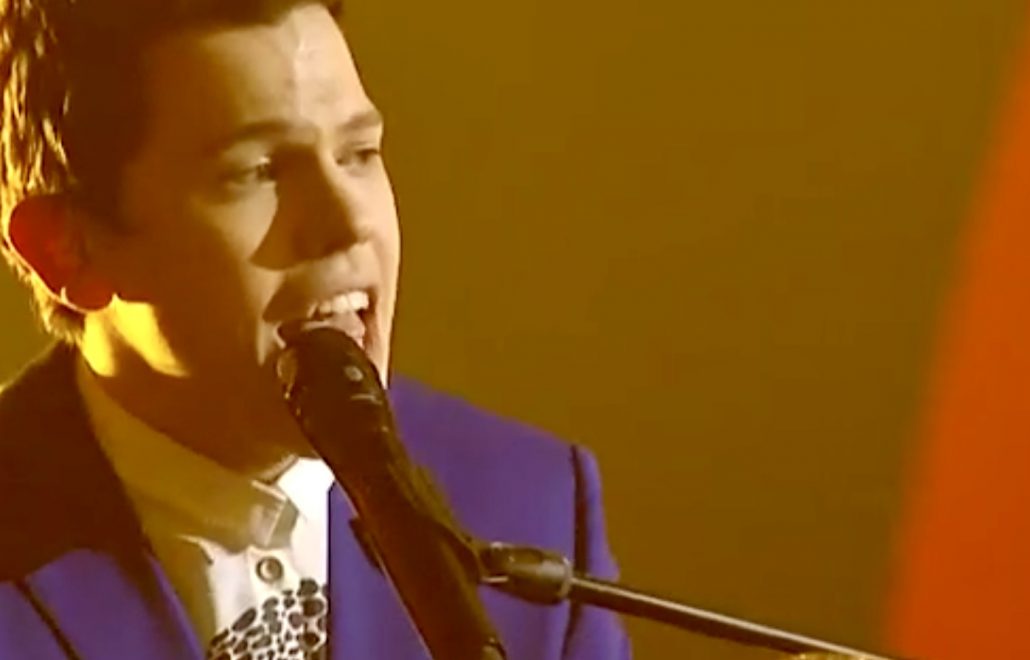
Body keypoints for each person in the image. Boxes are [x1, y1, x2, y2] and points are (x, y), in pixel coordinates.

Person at [0, 0, 629, 657]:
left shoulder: (535, 503)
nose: (348, 222)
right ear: (66, 250)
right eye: (257, 171)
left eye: (359, 153)